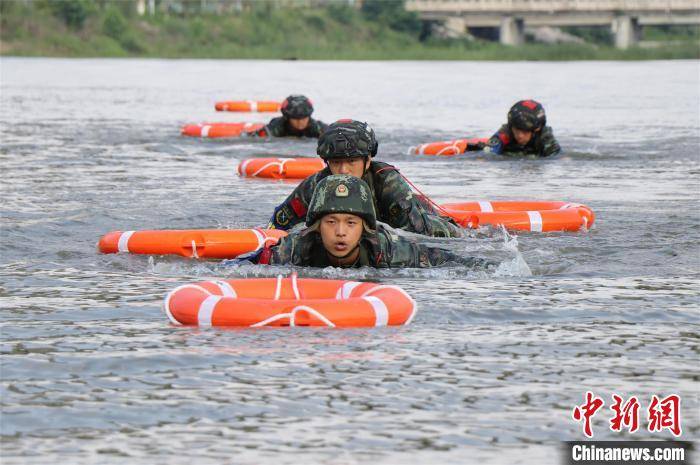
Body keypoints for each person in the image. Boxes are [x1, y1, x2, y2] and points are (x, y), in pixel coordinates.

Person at [267, 119, 463, 238]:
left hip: (426, 223)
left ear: (368, 161)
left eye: (352, 161)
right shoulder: (316, 185)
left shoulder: (386, 182)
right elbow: (278, 225)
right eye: (335, 162)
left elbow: (418, 233)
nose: (343, 170)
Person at [254, 175, 492, 269]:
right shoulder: (292, 249)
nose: (340, 232)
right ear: (316, 226)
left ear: (365, 227)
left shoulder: (388, 249)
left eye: (350, 223)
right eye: (330, 222)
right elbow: (238, 266)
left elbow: (450, 261)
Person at [482, 99, 561, 157]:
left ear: (536, 129)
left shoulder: (544, 136)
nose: (520, 136)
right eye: (516, 130)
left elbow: (557, 156)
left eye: (525, 132)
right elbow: (487, 154)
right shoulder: (505, 132)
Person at [253, 94, 327, 138]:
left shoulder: (319, 128)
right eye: (296, 119)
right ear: (288, 118)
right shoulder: (276, 127)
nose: (300, 122)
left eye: (304, 118)